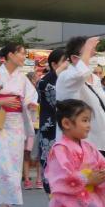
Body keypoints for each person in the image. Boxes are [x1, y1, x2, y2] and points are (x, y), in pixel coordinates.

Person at [0, 43, 38, 207]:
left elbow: (30, 96)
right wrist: (0, 102)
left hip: (16, 123)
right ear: (10, 55)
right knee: (3, 162)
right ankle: (6, 203)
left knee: (12, 164)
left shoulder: (22, 78)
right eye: (22, 53)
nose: (24, 57)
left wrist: (30, 104)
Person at [56, 37, 105, 163]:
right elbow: (80, 74)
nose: (93, 55)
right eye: (90, 52)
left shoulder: (96, 80)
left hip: (103, 138)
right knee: (82, 180)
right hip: (81, 142)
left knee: (102, 179)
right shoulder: (67, 77)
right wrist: (87, 47)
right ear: (75, 58)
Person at [33, 49, 67, 194]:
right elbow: (55, 100)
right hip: (50, 128)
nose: (67, 65)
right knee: (49, 161)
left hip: (65, 128)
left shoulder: (66, 80)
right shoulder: (44, 82)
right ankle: (52, 196)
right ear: (54, 64)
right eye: (64, 61)